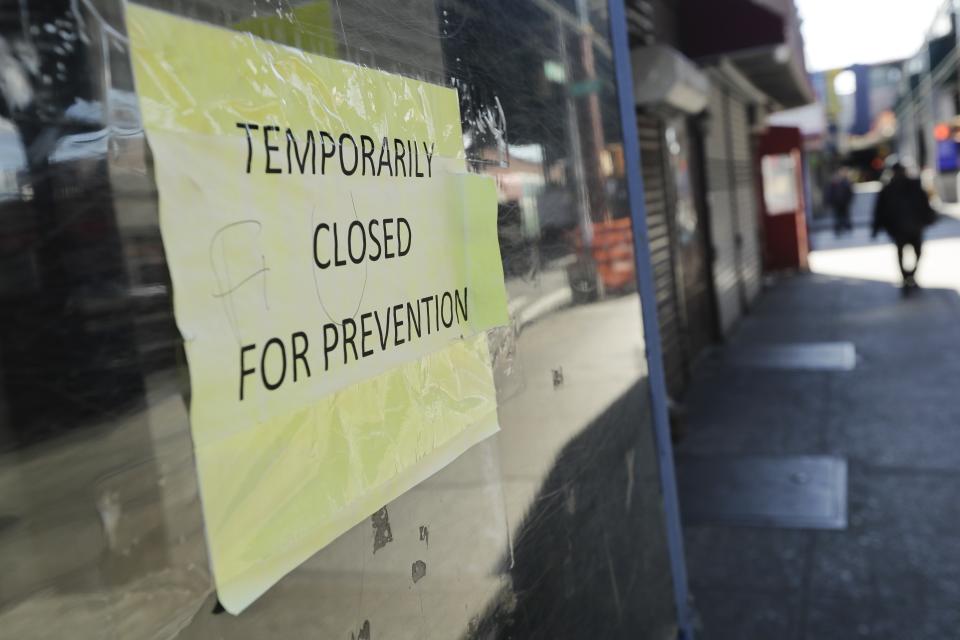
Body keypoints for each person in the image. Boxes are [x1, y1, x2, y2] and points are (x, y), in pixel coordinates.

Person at [871, 162, 936, 288]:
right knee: (912, 252)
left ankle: (908, 276)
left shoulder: (911, 185)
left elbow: (924, 204)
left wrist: (876, 228)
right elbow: (880, 210)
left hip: (906, 228)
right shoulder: (889, 188)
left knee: (908, 253)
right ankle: (908, 276)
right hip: (905, 228)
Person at [826, 167, 854, 235]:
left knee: (845, 216)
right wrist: (829, 201)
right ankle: (838, 229)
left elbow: (850, 193)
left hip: (844, 203)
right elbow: (830, 193)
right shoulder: (833, 184)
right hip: (836, 203)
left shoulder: (846, 183)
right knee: (837, 217)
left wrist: (848, 200)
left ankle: (847, 228)